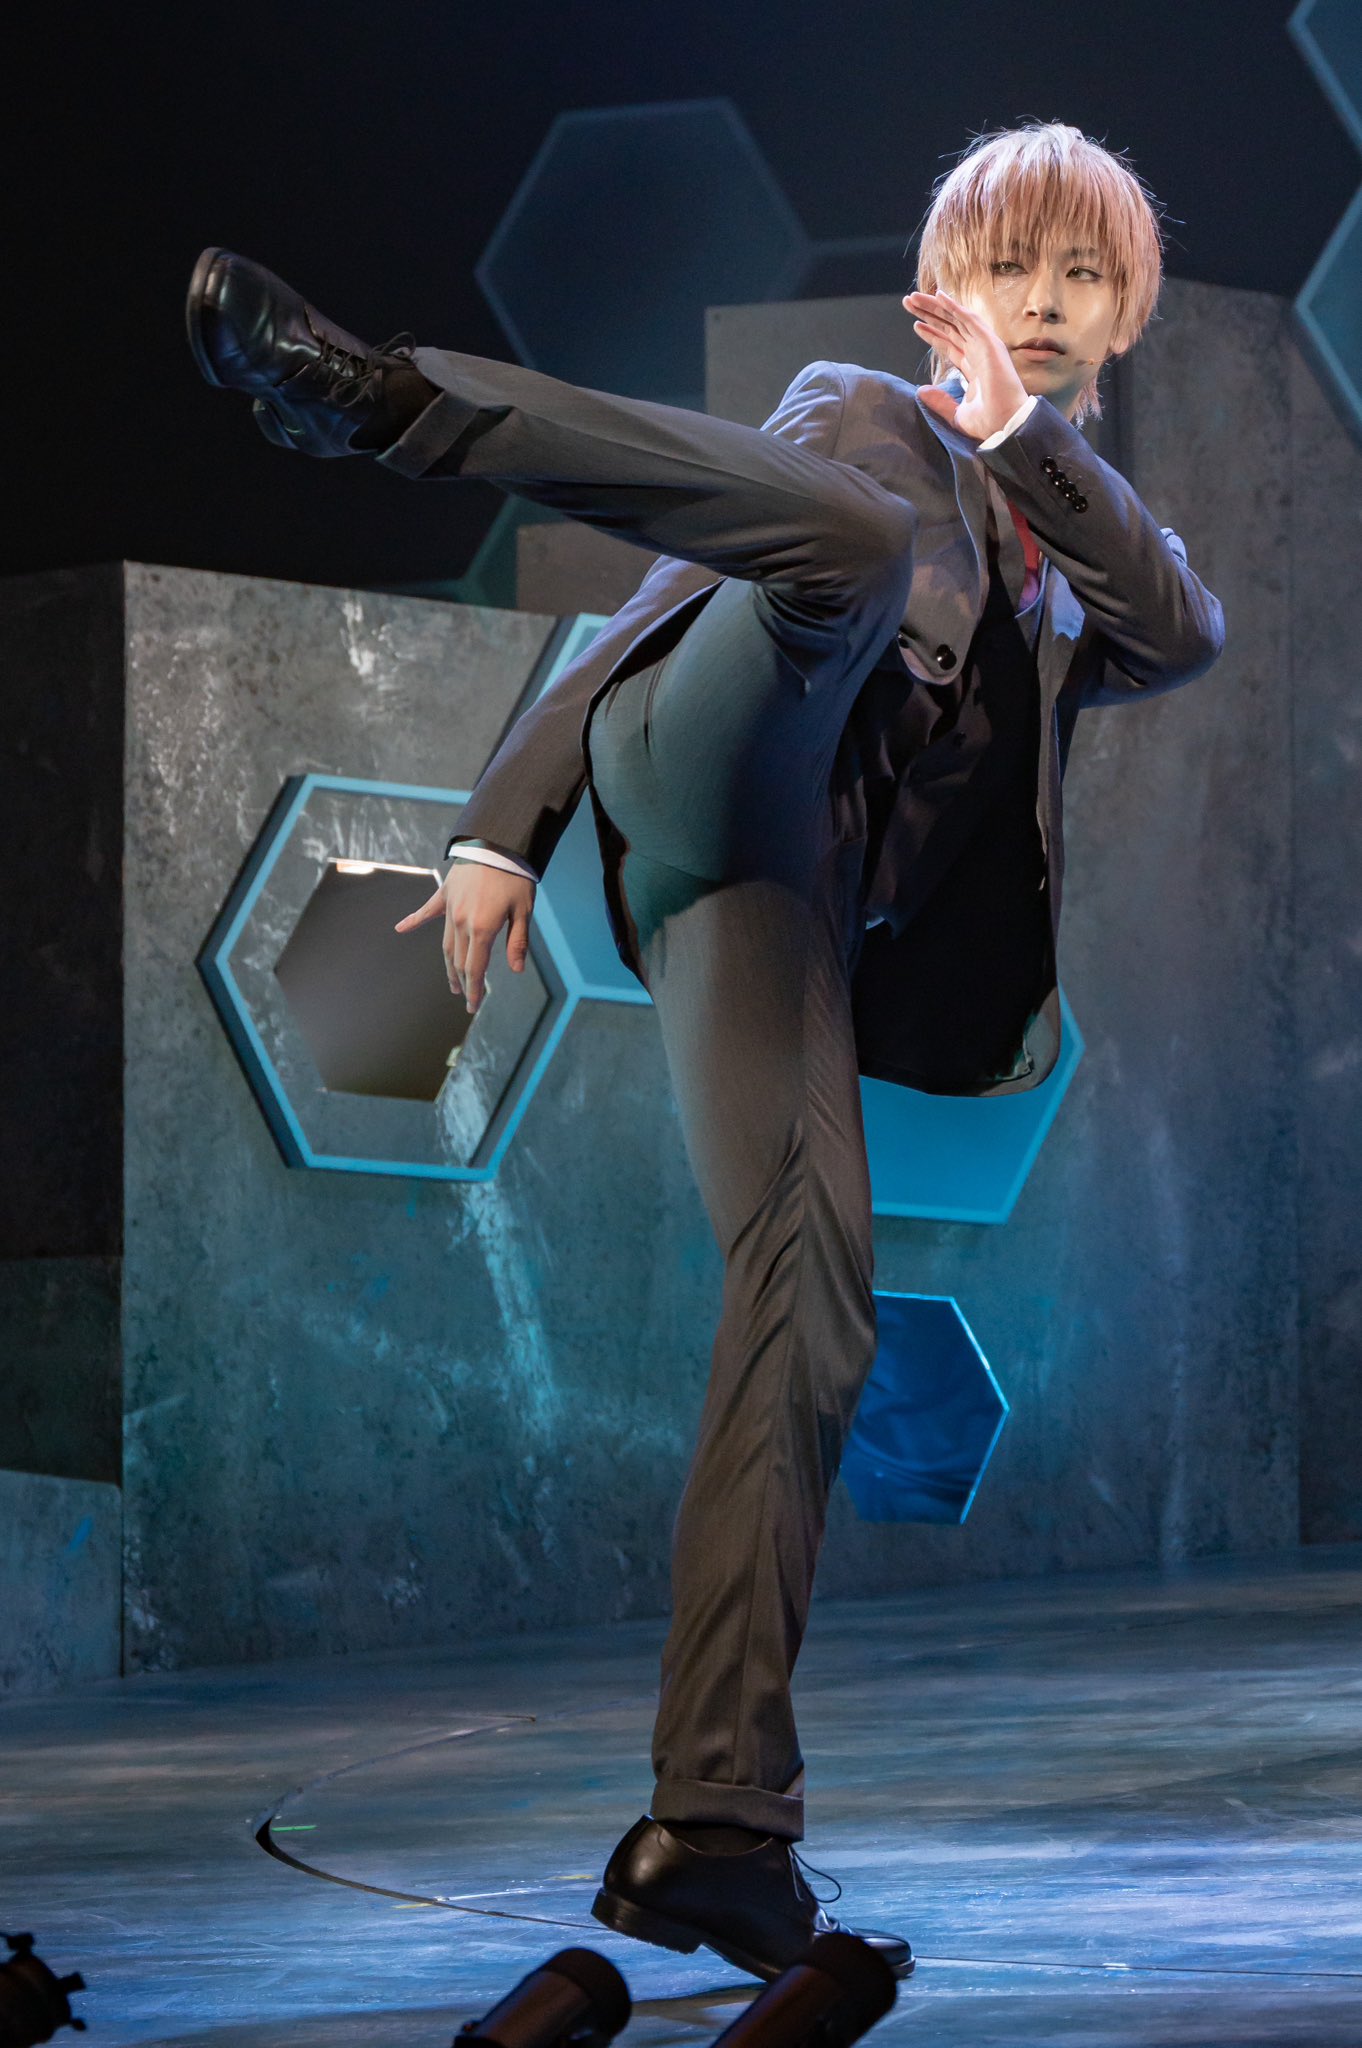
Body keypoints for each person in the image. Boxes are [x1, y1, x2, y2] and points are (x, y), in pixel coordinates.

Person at [186, 120, 1224, 1984]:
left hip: (777, 900)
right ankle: (382, 400)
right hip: (712, 750)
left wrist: (1025, 447)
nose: (1045, 305)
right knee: (851, 532)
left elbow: (1187, 631)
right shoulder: (857, 413)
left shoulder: (1084, 563)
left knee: (814, 1297)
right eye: (1011, 270)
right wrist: (503, 825)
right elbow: (645, 606)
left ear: (1124, 317)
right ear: (940, 291)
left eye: (1083, 280)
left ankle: (716, 1832)